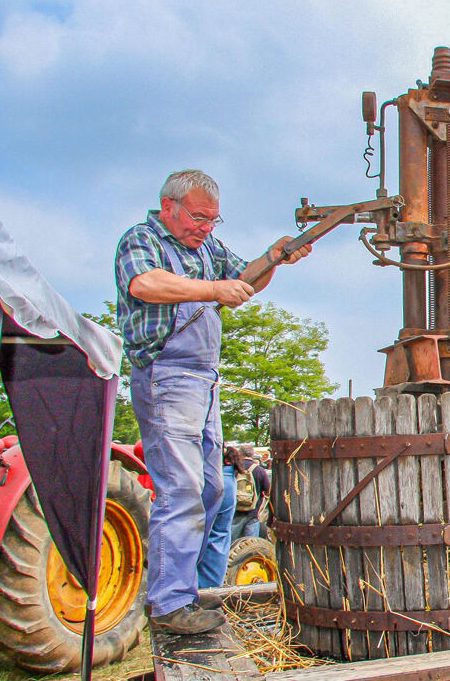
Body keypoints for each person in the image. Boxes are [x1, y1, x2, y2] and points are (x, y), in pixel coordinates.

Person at [115, 169, 311, 635]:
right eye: (199, 218)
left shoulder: (207, 249)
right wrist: (211, 289)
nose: (205, 228)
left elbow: (243, 280)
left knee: (213, 490)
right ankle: (168, 603)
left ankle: (189, 588)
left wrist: (274, 257)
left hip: (204, 380)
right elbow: (145, 284)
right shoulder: (141, 240)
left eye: (213, 221)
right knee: (180, 491)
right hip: (166, 377)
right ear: (169, 207)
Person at [199, 445, 244, 589]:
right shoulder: (230, 477)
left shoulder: (219, 482)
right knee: (218, 537)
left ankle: (203, 592)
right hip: (215, 562)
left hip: (206, 566)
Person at [236, 443, 270, 539]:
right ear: (252, 454)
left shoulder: (235, 469)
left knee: (232, 544)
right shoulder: (259, 470)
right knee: (251, 544)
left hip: (236, 511)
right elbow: (268, 490)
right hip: (253, 512)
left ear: (240, 454)